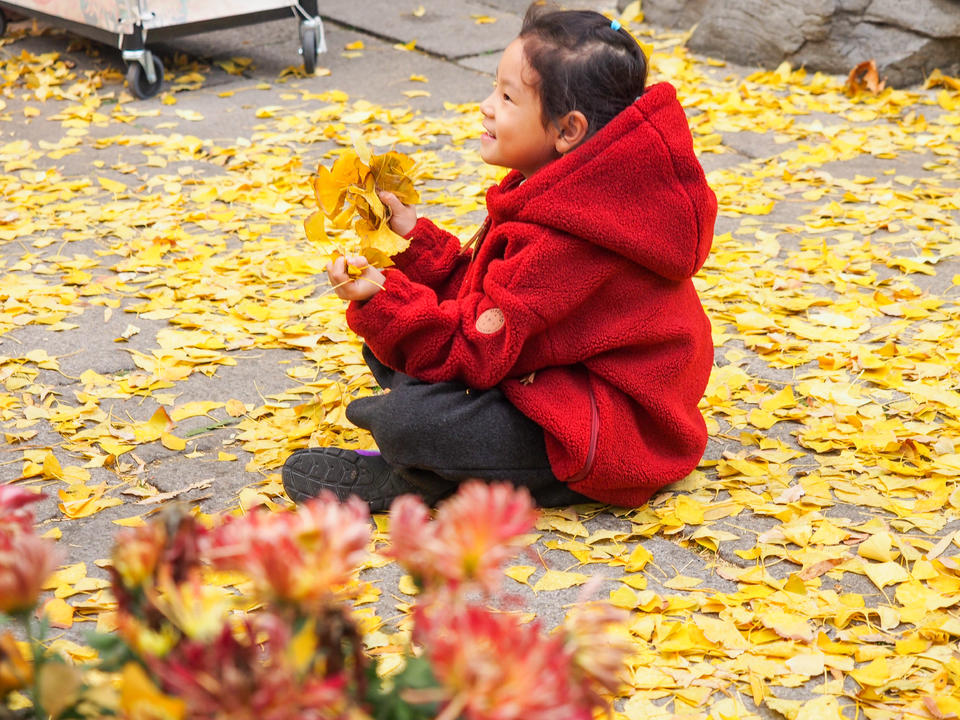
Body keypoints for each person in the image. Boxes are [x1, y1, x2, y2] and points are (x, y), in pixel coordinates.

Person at [282, 3, 717, 512]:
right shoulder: (563, 185)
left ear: (567, 130)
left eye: (507, 97)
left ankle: (425, 476)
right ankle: (448, 461)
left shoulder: (570, 238)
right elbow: (492, 299)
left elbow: (479, 342)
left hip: (604, 437)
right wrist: (414, 242)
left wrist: (383, 298)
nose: (487, 106)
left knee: (411, 419)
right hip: (557, 382)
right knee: (391, 344)